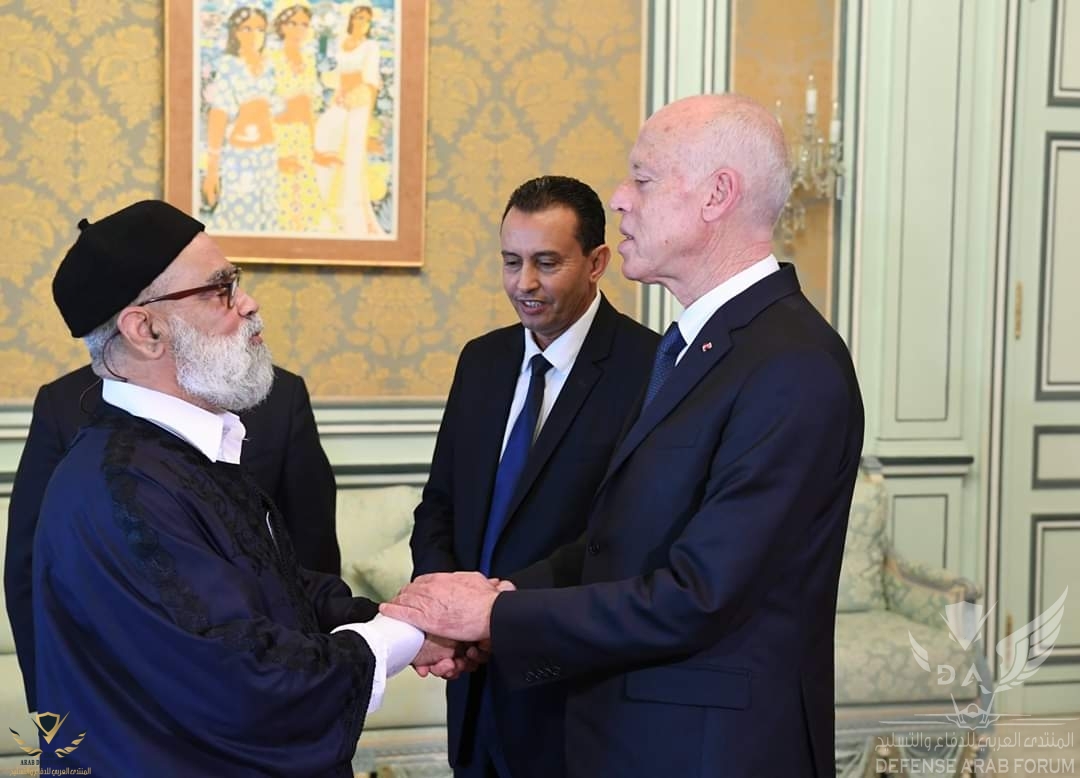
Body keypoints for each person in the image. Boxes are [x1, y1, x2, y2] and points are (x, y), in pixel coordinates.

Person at [383, 94, 866, 778]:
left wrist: (496, 616)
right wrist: (498, 595)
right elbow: (618, 545)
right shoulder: (697, 348)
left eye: (643, 179)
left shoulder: (792, 364)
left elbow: (700, 594)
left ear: (717, 195)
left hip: (711, 754)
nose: (619, 198)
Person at [33, 200, 460, 775]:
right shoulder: (124, 488)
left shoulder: (180, 453)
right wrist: (402, 633)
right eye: (220, 290)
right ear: (146, 330)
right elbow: (244, 680)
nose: (249, 303)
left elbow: (275, 586)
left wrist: (407, 617)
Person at [410, 175, 659, 778]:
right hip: (473, 687)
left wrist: (498, 612)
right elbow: (439, 504)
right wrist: (446, 615)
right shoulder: (482, 360)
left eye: (546, 263)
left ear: (597, 262)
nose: (524, 283)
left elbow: (625, 536)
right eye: (511, 262)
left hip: (572, 694)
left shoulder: (651, 369)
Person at [5, 359, 339, 715]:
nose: (250, 319)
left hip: (253, 688)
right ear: (142, 330)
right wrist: (52, 709)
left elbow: (311, 548)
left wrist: (321, 690)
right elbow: (31, 564)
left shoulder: (280, 396)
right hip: (115, 697)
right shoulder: (64, 402)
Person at [202, 7, 280, 231]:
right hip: (240, 155)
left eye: (260, 29)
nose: (254, 35)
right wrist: (212, 171)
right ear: (235, 32)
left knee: (269, 214)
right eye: (247, 28)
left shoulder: (271, 66)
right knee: (239, 214)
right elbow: (219, 115)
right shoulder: (229, 66)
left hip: (269, 153)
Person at [314, 4, 384, 236]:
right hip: (341, 99)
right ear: (352, 19)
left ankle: (351, 215)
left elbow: (371, 82)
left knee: (352, 156)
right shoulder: (342, 42)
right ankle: (326, 207)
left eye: (367, 19)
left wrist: (365, 115)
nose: (362, 22)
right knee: (325, 136)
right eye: (359, 17)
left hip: (360, 103)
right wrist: (338, 96)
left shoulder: (371, 47)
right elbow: (340, 76)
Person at [269, 3, 331, 231]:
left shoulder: (309, 61)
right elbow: (263, 107)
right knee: (281, 196)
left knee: (306, 200)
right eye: (293, 23)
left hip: (302, 137)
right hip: (278, 135)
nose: (299, 29)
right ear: (281, 25)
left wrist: (314, 149)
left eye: (304, 24)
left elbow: (309, 111)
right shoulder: (272, 59)